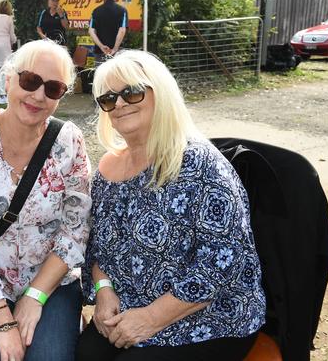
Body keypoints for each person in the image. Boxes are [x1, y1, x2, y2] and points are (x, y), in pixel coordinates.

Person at [76, 50, 266, 360]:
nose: (120, 103)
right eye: (109, 99)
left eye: (132, 92)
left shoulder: (199, 164)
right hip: (128, 309)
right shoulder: (107, 169)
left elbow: (222, 262)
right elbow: (96, 247)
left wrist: (150, 319)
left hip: (209, 318)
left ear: (160, 93)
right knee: (84, 354)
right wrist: (103, 290)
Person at [0, 39, 91, 361]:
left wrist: (34, 297)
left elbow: (75, 232)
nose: (38, 95)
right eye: (30, 81)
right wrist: (1, 318)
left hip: (51, 283)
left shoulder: (69, 141)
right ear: (9, 79)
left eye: (53, 88)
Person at [88, 0, 127, 64]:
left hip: (100, 52)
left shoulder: (96, 11)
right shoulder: (122, 10)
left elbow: (91, 31)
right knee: (116, 74)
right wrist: (115, 49)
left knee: (100, 73)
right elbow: (122, 31)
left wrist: (101, 46)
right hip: (116, 53)